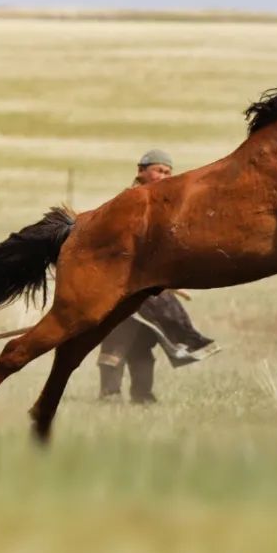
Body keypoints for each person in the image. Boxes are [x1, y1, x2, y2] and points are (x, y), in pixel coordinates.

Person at [97, 149, 218, 403]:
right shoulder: (128, 201)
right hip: (123, 285)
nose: (163, 176)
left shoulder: (168, 207)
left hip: (152, 290)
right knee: (117, 340)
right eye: (158, 170)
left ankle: (142, 396)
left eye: (167, 172)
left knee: (143, 345)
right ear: (141, 171)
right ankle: (109, 394)